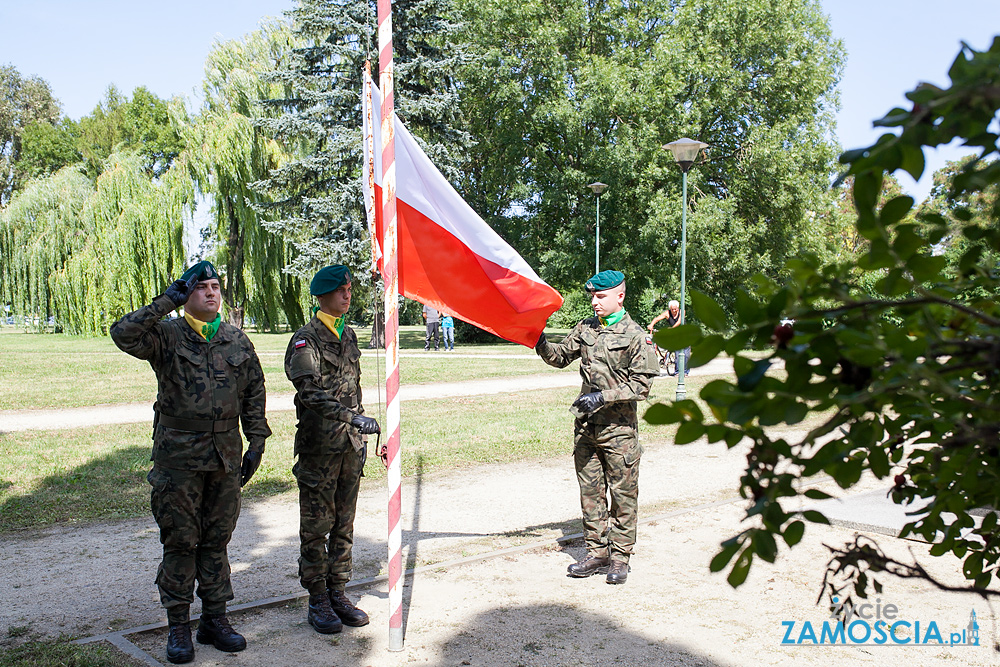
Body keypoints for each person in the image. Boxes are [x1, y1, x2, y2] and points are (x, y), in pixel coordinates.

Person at [110, 260, 270, 664]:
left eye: (216, 286)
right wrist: (166, 301)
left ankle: (215, 619)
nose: (212, 293)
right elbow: (122, 333)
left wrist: (256, 442)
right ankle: (178, 625)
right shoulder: (165, 336)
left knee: (216, 541)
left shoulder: (236, 340)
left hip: (225, 458)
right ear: (187, 295)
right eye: (202, 287)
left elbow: (254, 391)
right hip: (178, 461)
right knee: (181, 542)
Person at [534, 270, 658, 585]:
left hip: (618, 431)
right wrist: (539, 339)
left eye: (600, 296)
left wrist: (603, 397)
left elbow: (641, 388)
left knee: (623, 494)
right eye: (592, 296)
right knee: (591, 493)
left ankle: (620, 558)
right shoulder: (587, 328)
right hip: (586, 428)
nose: (594, 302)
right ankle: (597, 551)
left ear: (620, 296)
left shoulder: (635, 336)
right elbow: (560, 357)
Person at [284, 265, 381, 635]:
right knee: (316, 526)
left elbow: (353, 390)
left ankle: (338, 591)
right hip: (319, 449)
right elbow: (309, 393)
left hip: (350, 449)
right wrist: (350, 417)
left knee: (344, 523)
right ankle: (317, 598)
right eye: (340, 290)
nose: (347, 295)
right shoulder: (305, 340)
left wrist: (364, 430)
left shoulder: (349, 335)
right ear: (322, 295)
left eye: (349, 289)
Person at [648, 299, 689, 375]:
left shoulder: (682, 311)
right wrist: (651, 324)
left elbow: (679, 321)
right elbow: (657, 319)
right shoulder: (667, 313)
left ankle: (685, 372)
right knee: (677, 354)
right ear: (670, 308)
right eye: (672, 309)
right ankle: (677, 372)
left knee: (686, 354)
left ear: (678, 308)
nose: (674, 310)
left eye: (675, 309)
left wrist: (672, 328)